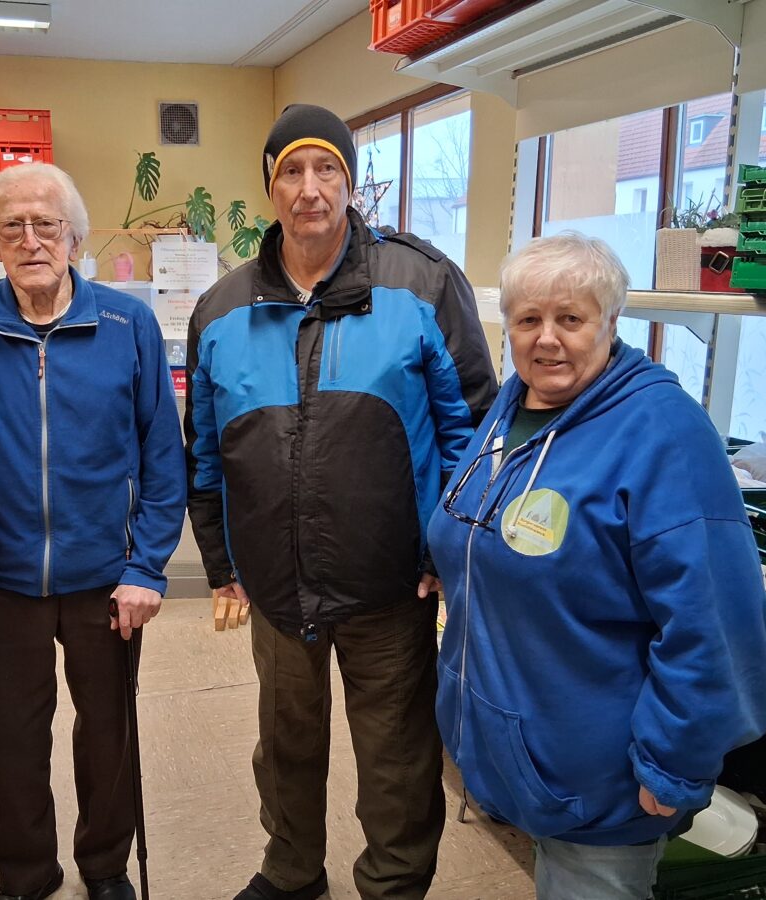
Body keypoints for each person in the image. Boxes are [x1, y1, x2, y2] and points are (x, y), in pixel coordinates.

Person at [185, 104, 498, 900]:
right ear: (269, 187)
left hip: (392, 580)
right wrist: (221, 562)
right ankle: (291, 873)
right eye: (291, 170)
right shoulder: (222, 308)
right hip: (275, 582)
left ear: (351, 185)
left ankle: (392, 885)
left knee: (395, 752)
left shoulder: (422, 282)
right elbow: (206, 446)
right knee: (285, 743)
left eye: (327, 169)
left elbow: (472, 427)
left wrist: (445, 548)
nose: (309, 188)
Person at [429, 232, 766, 899]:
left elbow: (715, 624)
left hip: (603, 775)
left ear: (611, 323)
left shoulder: (662, 433)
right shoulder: (516, 406)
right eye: (529, 320)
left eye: (571, 318)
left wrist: (671, 763)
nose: (547, 339)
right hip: (526, 752)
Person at [0, 163, 186, 900]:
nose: (31, 239)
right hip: (3, 575)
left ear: (74, 236)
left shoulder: (126, 322)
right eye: (11, 226)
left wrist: (145, 569)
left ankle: (105, 866)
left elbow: (161, 457)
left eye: (47, 225)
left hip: (105, 576)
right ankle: (24, 874)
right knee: (15, 737)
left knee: (108, 733)